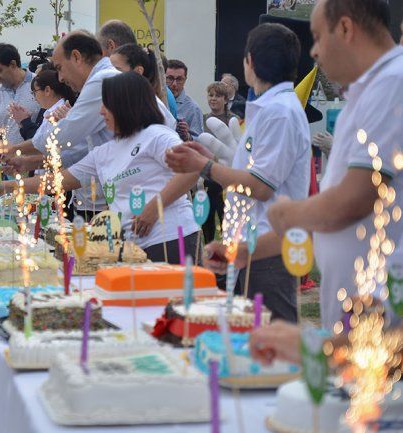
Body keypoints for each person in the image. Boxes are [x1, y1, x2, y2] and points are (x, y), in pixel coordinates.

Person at [258, 0, 403, 330]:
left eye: (318, 36)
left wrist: (287, 213)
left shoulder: (392, 82)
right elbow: (330, 210)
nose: (314, 51)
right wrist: (246, 252)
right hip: (362, 315)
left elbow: (354, 198)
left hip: (381, 315)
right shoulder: (369, 89)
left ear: (346, 29)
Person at [165, 23, 311, 322]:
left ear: (251, 62)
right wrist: (211, 160)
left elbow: (260, 186)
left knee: (269, 345)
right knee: (250, 342)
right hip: (249, 246)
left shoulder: (279, 111)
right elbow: (252, 174)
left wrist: (205, 167)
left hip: (266, 251)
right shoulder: (270, 108)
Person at [0, 72, 200, 261]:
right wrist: (6, 187)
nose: (101, 112)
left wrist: (154, 208)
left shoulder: (157, 135)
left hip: (171, 240)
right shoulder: (105, 151)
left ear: (126, 105)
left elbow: (192, 169)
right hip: (130, 247)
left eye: (107, 105)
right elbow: (60, 181)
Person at [2, 31, 119, 218]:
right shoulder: (101, 82)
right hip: (104, 201)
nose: (60, 78)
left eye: (60, 68)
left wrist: (17, 154)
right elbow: (77, 156)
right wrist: (24, 162)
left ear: (76, 57)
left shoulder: (102, 81)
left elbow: (61, 139)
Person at [199, 81, 238, 244]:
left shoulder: (233, 120)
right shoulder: (203, 119)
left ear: (226, 99)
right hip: (207, 176)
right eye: (211, 95)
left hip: (225, 177)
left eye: (218, 95)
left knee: (225, 217)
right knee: (206, 219)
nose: (213, 99)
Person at [109, 43, 177, 129]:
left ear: (138, 71)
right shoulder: (128, 99)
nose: (108, 74)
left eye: (116, 70)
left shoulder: (149, 109)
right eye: (108, 69)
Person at [12, 64, 76, 145]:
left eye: (34, 93)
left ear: (47, 90)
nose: (34, 98)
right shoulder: (51, 111)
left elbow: (41, 146)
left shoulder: (59, 113)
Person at [166, 59, 203, 140]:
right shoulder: (155, 101)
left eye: (179, 79)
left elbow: (199, 140)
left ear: (185, 80)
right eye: (170, 78)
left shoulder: (193, 108)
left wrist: (187, 136)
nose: (174, 84)